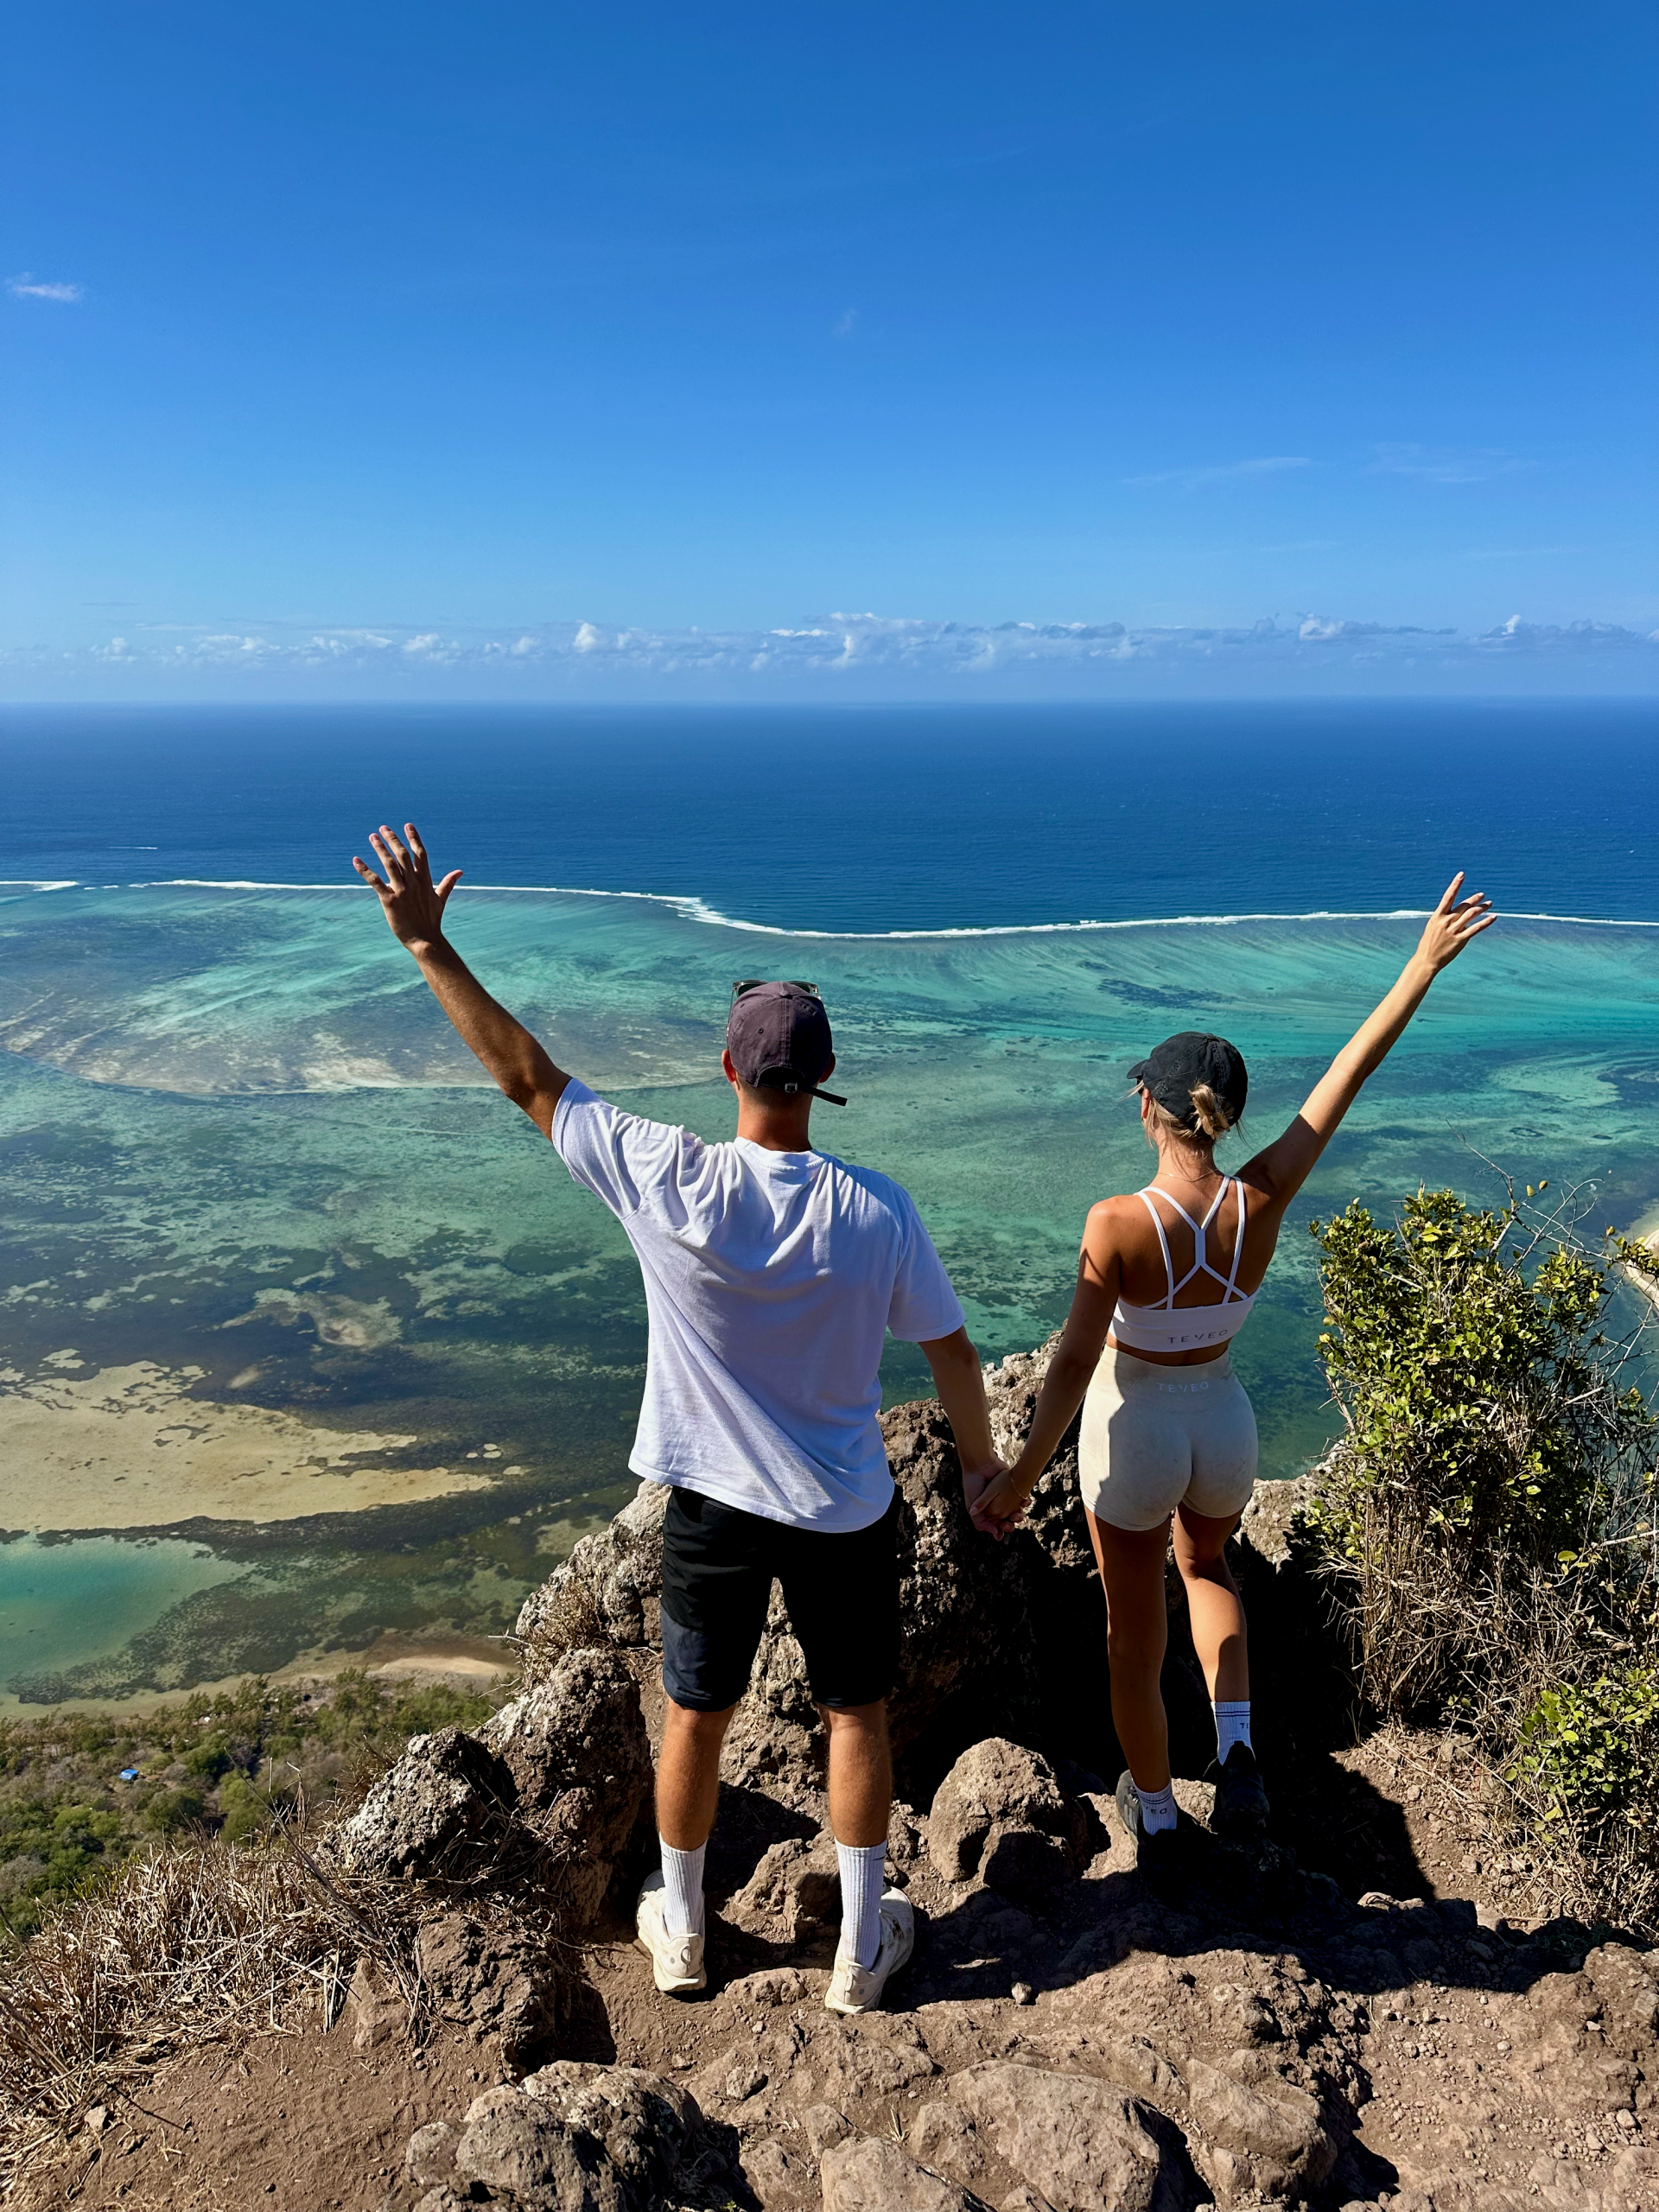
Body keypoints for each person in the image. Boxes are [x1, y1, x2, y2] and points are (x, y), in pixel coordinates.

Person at [352, 823, 1004, 2014]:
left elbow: (528, 1078)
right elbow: (952, 1348)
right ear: (820, 1082)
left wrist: (428, 946)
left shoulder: (669, 1177)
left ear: (728, 1071)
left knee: (697, 1717)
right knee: (857, 1715)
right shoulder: (878, 1212)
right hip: (845, 1507)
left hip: (711, 1506)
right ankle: (862, 1951)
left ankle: (689, 1932)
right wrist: (980, 1467)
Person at [969, 874, 1496, 1872]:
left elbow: (1077, 1360)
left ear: (1148, 1107)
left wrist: (1024, 1471)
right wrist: (1419, 966)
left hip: (1136, 1430)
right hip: (1225, 1426)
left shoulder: (1118, 1223)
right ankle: (1240, 1750)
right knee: (1209, 1570)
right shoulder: (1261, 1200)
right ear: (1225, 1117)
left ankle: (1160, 1816)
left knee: (1134, 1636)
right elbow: (1347, 1073)